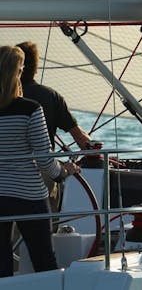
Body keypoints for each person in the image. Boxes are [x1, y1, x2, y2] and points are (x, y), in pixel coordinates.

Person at [0, 45, 81, 277]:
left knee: (0, 261)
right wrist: (64, 171)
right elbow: (45, 160)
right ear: (19, 72)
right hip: (28, 195)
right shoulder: (30, 109)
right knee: (43, 259)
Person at [17, 41, 91, 210]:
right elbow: (82, 141)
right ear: (36, 68)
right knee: (43, 230)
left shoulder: (4, 97)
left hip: (8, 177)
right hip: (42, 176)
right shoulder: (50, 96)